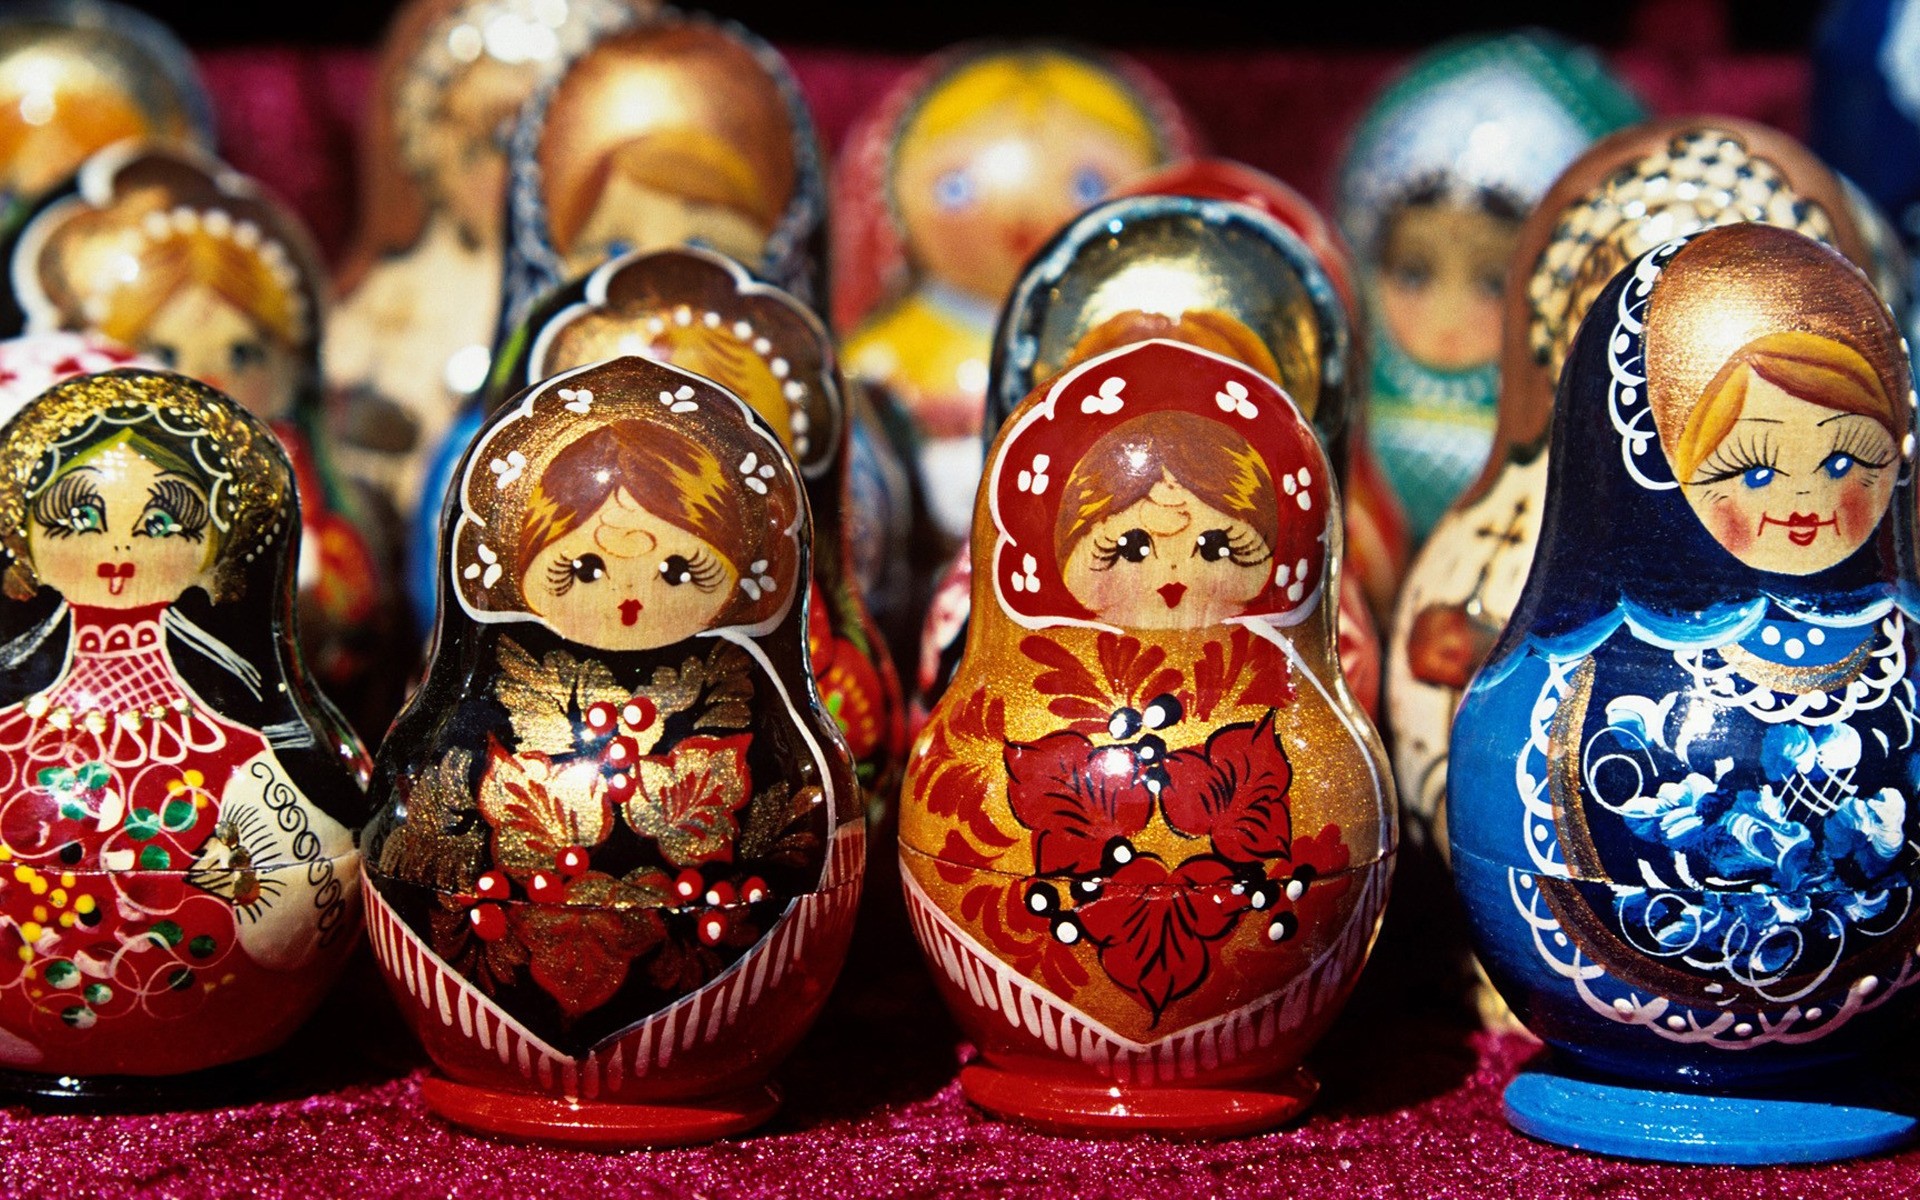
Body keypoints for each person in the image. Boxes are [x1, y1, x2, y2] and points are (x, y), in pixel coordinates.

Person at [0, 371, 361, 1074]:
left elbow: (300, 894)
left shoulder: (252, 744)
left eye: (163, 524)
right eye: (79, 519)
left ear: (217, 549)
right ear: (23, 538)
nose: (118, 549)